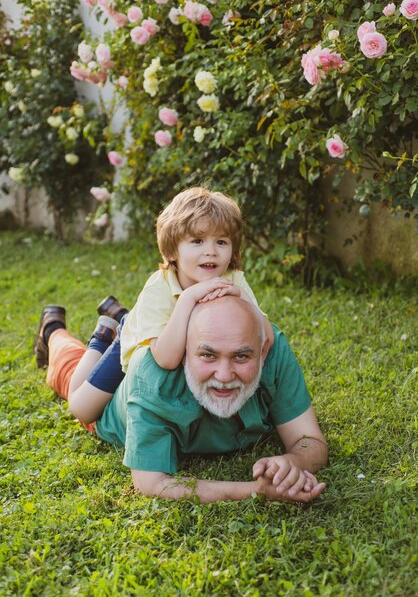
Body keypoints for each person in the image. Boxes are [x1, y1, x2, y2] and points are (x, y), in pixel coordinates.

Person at [35, 295, 328, 504]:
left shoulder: (274, 349)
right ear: (184, 350)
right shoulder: (152, 380)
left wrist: (292, 461)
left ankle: (122, 325)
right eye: (208, 355)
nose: (224, 376)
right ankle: (57, 330)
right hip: (112, 403)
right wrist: (256, 489)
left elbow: (309, 440)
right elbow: (151, 483)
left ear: (261, 351)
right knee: (69, 371)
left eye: (241, 356)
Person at [36, 187, 274, 425]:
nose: (211, 251)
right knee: (83, 410)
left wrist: (242, 296)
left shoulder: (234, 280)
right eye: (198, 241)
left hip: (172, 336)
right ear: (172, 250)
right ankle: (100, 340)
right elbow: (167, 360)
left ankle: (119, 314)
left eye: (221, 242)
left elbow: (266, 336)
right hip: (137, 342)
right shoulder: (159, 288)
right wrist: (189, 297)